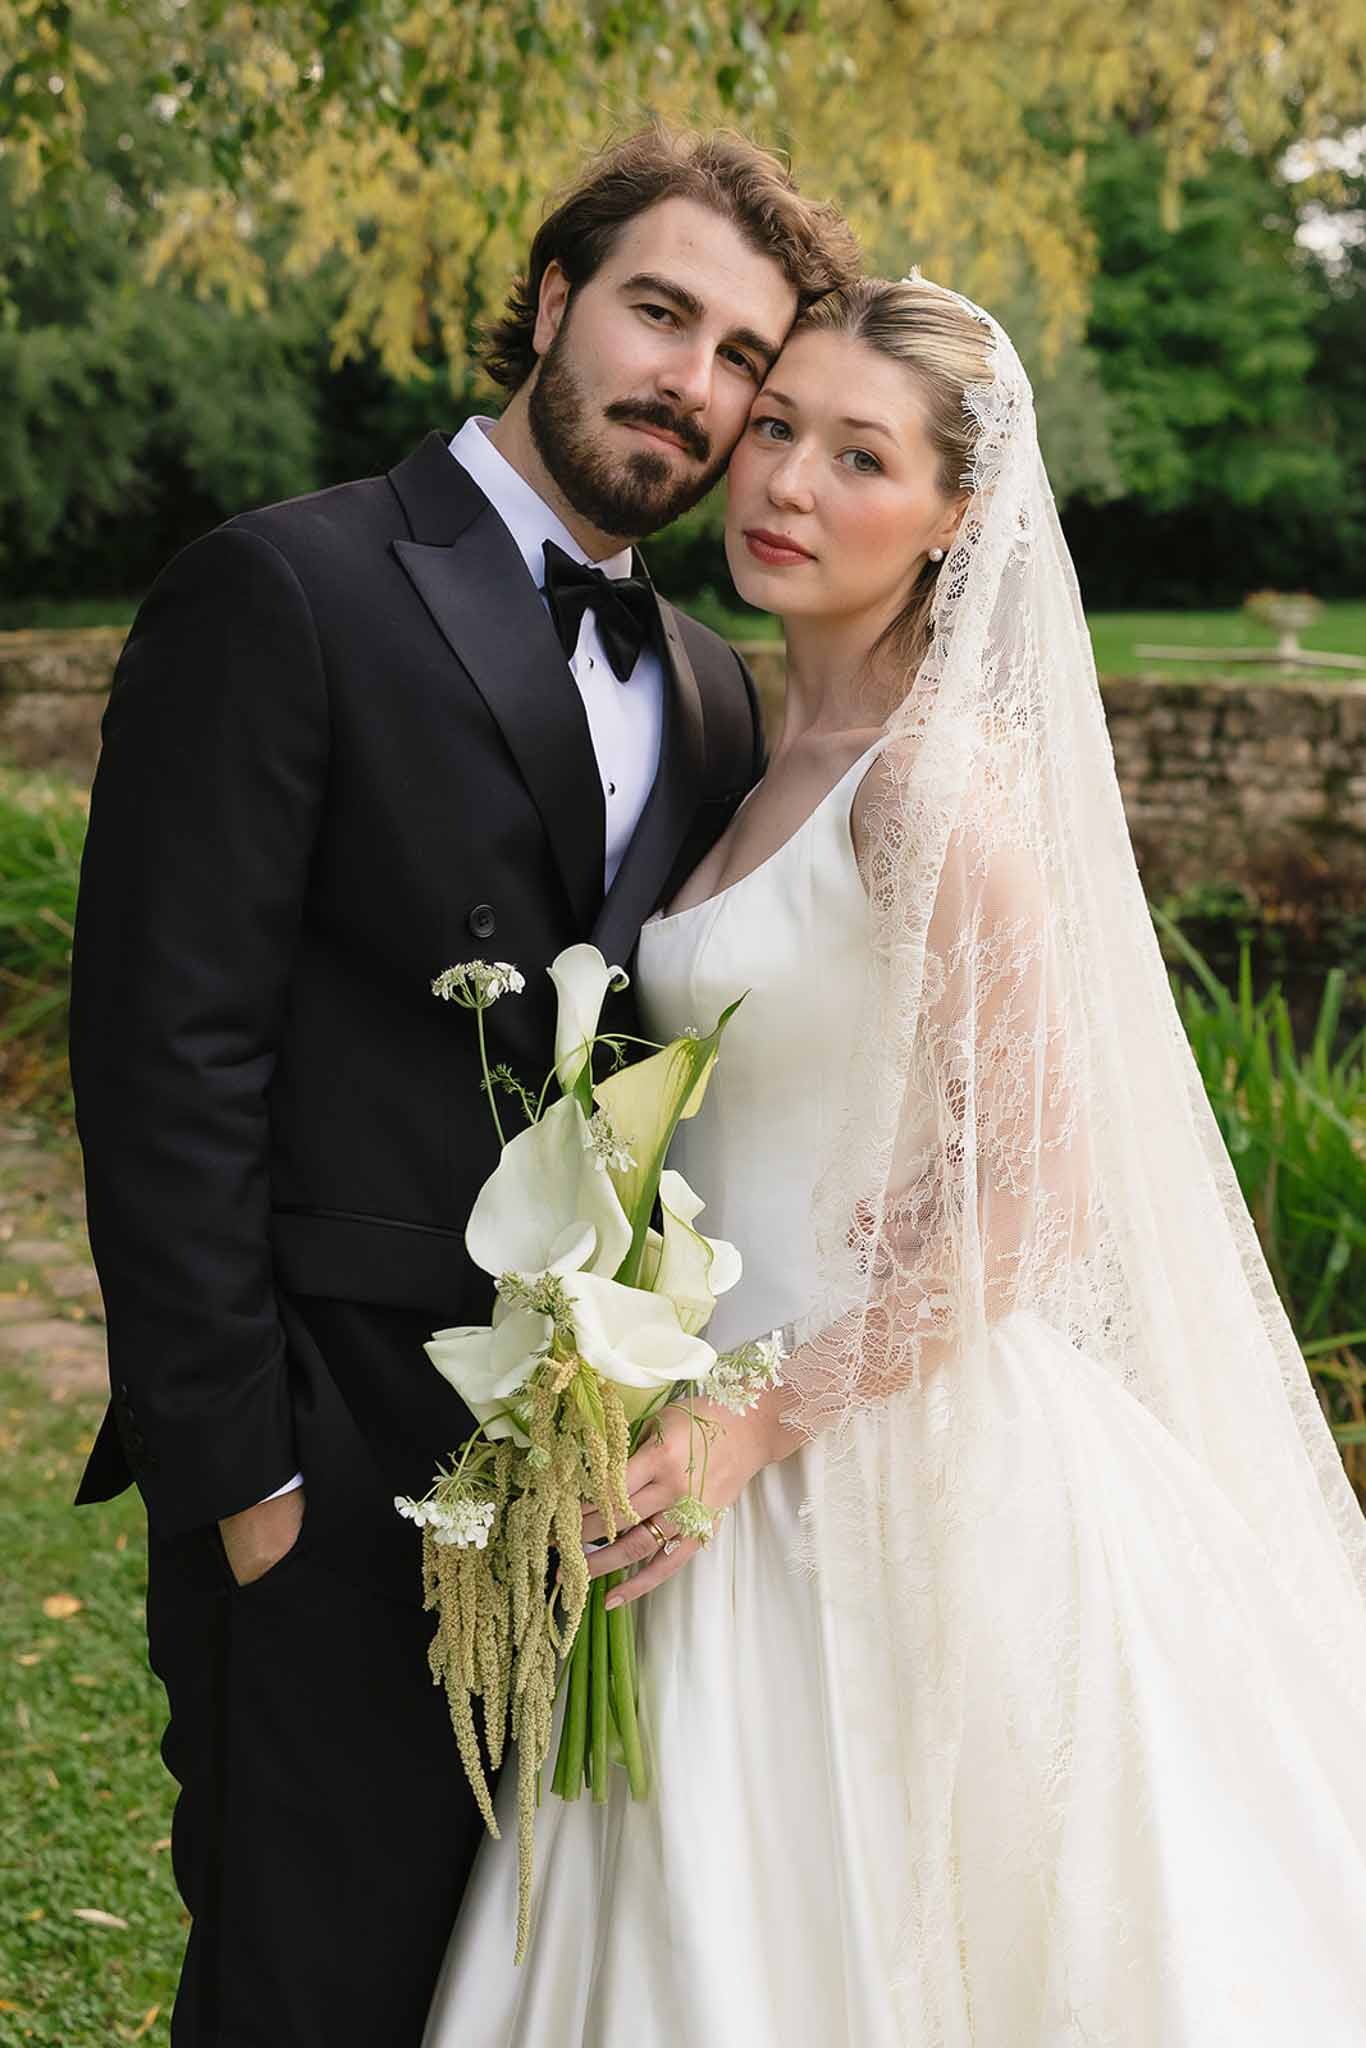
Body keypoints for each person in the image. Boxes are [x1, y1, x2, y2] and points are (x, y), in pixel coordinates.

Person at [425, 275, 1366, 2045]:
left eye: (861, 456)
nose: (784, 482)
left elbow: (1045, 1192)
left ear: (955, 520)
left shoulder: (928, 789)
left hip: (859, 1447)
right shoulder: (752, 752)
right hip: (698, 1429)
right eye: (774, 428)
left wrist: (756, 1416)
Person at [67, 122, 860, 2046]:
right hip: (323, 1448)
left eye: (744, 356)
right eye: (659, 312)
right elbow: (167, 1049)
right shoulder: (286, 586)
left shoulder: (714, 684)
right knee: (305, 1981)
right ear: (549, 300)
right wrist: (247, 1473)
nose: (693, 381)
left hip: (587, 1493)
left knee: (516, 1990)